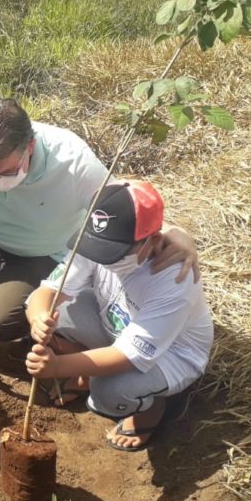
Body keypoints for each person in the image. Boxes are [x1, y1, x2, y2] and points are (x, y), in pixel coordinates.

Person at [0, 99, 199, 360]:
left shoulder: (71, 160)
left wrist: (173, 231)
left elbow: (120, 205)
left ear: (30, 147)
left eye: (5, 172)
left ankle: (20, 320)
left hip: (46, 252)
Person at [24, 181, 213, 451]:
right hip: (115, 324)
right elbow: (48, 292)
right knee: (47, 307)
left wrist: (58, 366)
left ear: (153, 241)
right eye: (97, 249)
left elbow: (129, 355)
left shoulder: (175, 279)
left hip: (169, 354)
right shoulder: (95, 242)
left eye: (114, 254)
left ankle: (151, 409)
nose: (102, 260)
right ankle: (87, 372)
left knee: (108, 392)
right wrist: (39, 318)